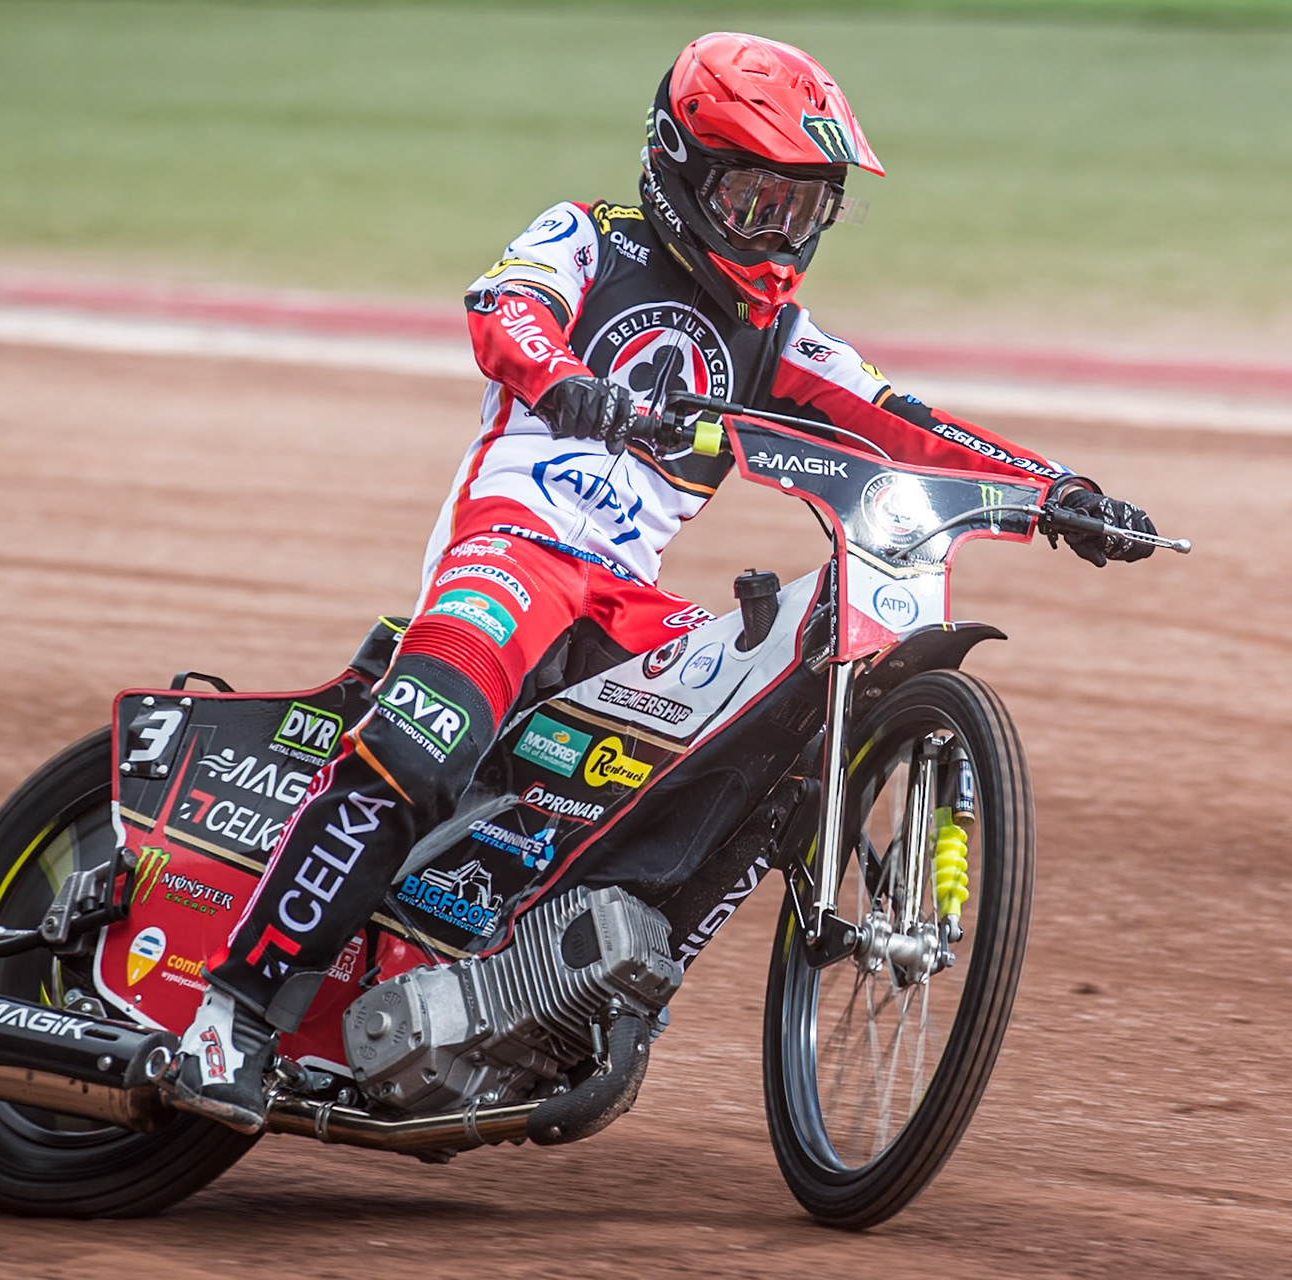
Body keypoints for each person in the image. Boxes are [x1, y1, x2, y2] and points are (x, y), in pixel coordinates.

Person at [167, 31, 1156, 1132]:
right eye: (753, 201)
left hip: (626, 601)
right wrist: (570, 383)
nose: (779, 234)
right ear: (680, 172)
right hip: (515, 548)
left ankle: (558, 977)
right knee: (420, 745)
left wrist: (1059, 489)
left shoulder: (776, 333)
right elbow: (504, 312)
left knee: (765, 715)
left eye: (804, 208)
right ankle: (231, 1013)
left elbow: (907, 425)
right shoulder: (588, 236)